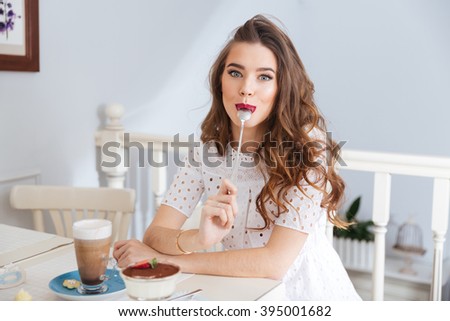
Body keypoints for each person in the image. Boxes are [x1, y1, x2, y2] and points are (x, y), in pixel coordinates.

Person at [113, 14, 361, 300]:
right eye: (235, 72)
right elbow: (156, 233)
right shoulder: (207, 153)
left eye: (264, 77)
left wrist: (170, 262)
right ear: (220, 81)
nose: (246, 87)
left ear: (282, 88)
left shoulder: (309, 151)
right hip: (240, 294)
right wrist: (199, 238)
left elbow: (273, 264)